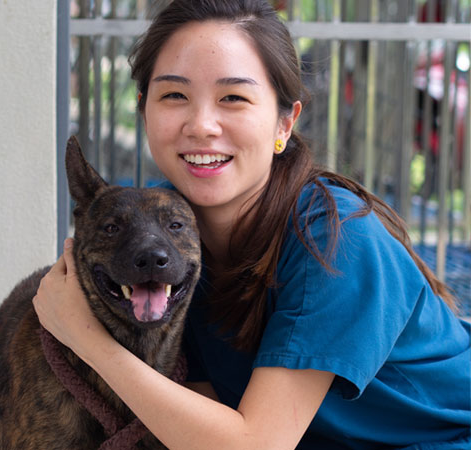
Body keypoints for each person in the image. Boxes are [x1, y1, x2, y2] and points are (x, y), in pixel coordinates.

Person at [33, 1, 471, 448]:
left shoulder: (336, 237)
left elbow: (255, 444)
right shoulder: (172, 236)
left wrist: (85, 337)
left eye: (233, 98)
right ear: (144, 111)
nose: (202, 125)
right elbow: (195, 418)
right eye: (175, 95)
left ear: (285, 122)